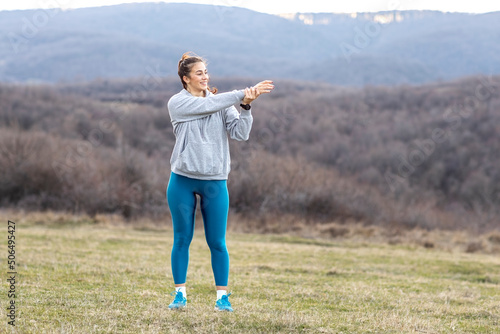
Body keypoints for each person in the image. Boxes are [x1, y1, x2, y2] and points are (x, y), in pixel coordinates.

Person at [166, 52, 274, 311]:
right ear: (186, 78)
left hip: (215, 182)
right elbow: (206, 106)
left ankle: (222, 298)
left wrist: (246, 107)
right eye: (199, 73)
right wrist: (241, 94)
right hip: (182, 180)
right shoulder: (177, 103)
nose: (205, 77)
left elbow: (240, 134)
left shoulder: (221, 103)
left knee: (217, 242)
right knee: (182, 238)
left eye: (206, 72)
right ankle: (180, 293)